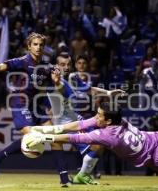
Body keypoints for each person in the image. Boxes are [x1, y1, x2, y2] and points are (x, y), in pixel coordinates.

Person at [28, 102, 158, 177]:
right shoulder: (116, 119)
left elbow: (71, 136)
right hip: (154, 142)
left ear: (108, 120)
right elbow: (76, 125)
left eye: (99, 115)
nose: (96, 116)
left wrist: (44, 136)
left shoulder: (103, 135)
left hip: (155, 152)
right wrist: (40, 128)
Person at [0, 33, 54, 180]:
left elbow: (44, 89)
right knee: (33, 136)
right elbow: (0, 66)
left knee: (51, 134)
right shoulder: (22, 62)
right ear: (29, 46)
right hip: (19, 102)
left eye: (41, 45)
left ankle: (64, 177)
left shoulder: (46, 67)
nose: (38, 47)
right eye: (35, 44)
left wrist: (48, 105)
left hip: (36, 104)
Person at [47, 53, 124, 185]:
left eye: (68, 64)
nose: (66, 67)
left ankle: (79, 175)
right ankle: (74, 176)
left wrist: (108, 93)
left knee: (99, 143)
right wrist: (56, 83)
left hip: (76, 118)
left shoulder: (73, 77)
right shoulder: (54, 80)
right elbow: (57, 90)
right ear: (55, 66)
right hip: (68, 122)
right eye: (62, 64)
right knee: (95, 143)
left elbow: (89, 89)